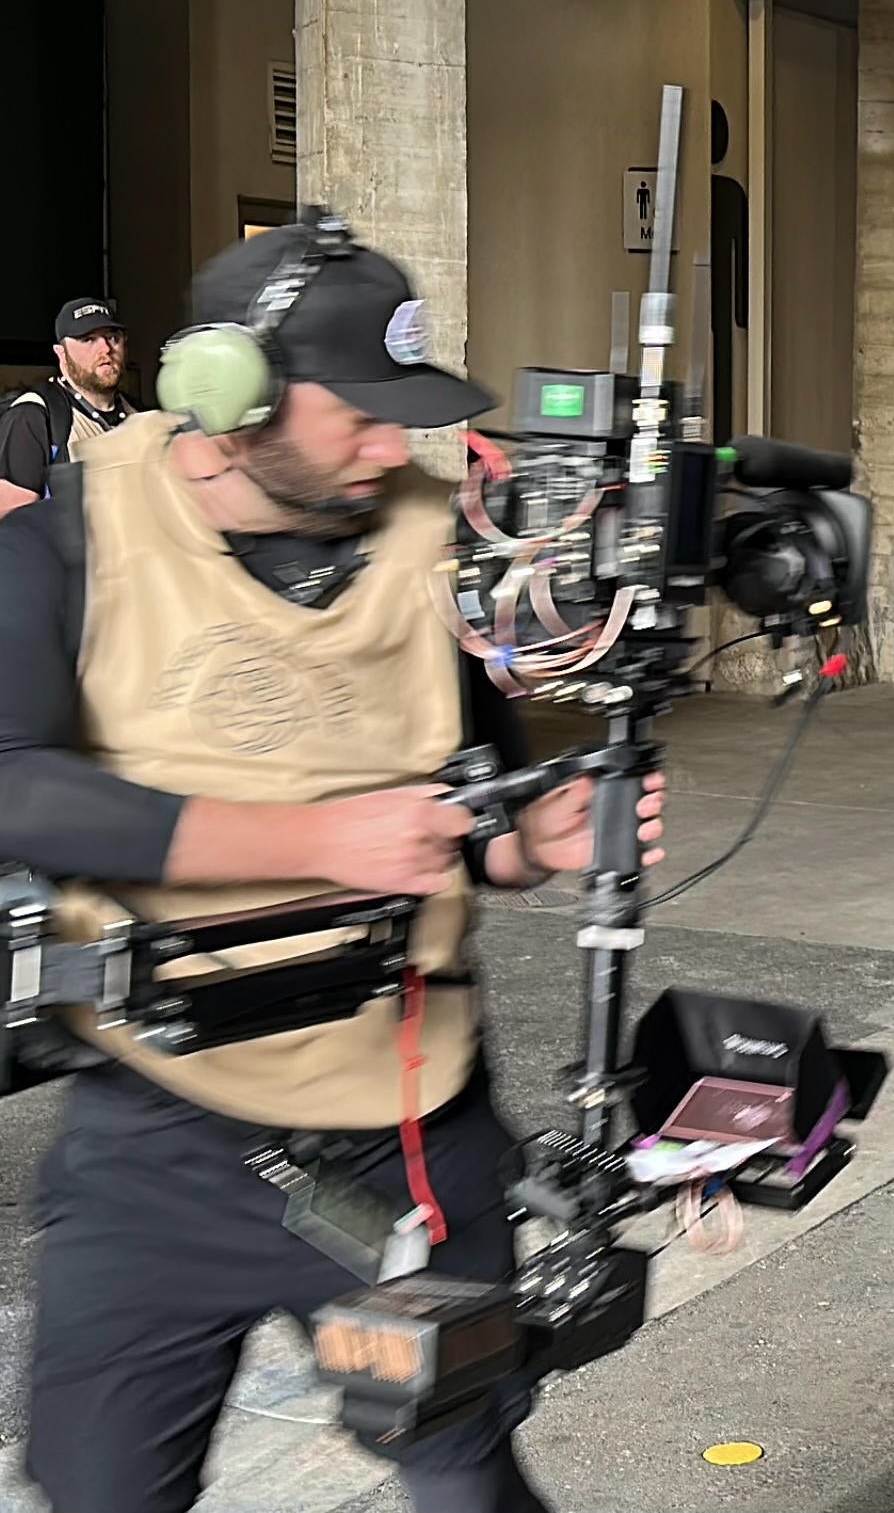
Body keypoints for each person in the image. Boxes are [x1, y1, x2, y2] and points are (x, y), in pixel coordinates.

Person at [0, 219, 667, 1512]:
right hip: (156, 1139)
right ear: (229, 401)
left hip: (409, 1128)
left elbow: (478, 796)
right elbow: (11, 780)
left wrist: (534, 842)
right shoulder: (68, 542)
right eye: (357, 412)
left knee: (466, 1476)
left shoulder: (439, 549)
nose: (388, 445)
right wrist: (320, 840)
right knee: (95, 1494)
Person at [1, 296, 139, 515]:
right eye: (88, 340)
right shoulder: (34, 416)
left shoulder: (139, 416)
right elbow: (14, 524)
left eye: (112, 337)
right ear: (61, 354)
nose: (105, 349)